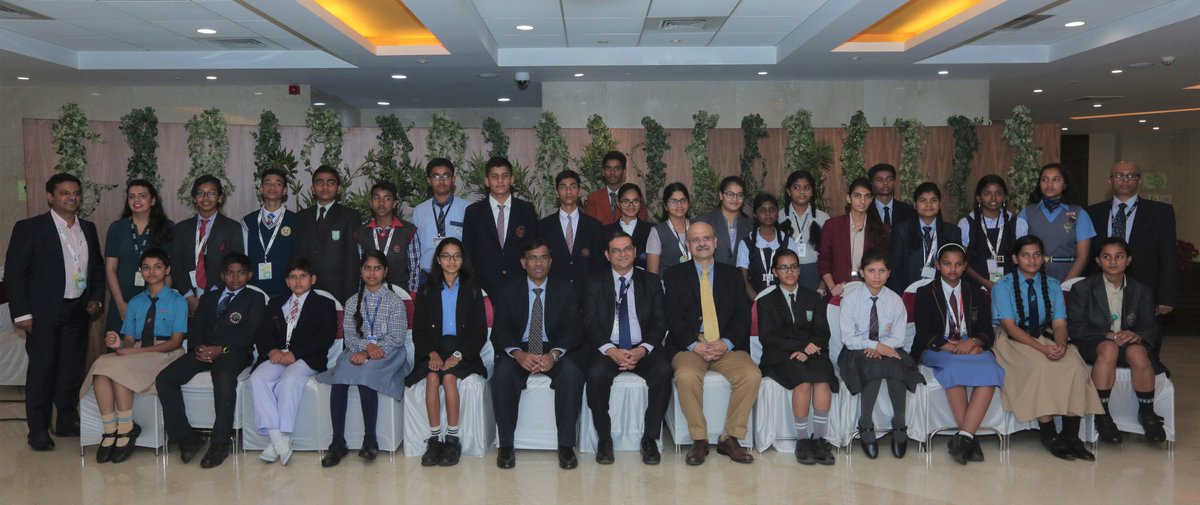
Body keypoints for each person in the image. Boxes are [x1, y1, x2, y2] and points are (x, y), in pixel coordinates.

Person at [6, 173, 105, 450]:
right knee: (43, 369)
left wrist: (96, 297)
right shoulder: (30, 228)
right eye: (64, 193)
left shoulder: (88, 228)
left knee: (71, 368)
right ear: (51, 197)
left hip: (77, 310)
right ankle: (37, 430)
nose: (72, 197)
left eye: (75, 193)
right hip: (43, 313)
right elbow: (15, 273)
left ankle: (66, 419)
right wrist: (22, 314)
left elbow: (96, 267)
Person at [990, 235, 1103, 461]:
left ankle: (1071, 435)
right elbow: (1010, 328)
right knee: (1040, 366)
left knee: (1073, 364)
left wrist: (1061, 345)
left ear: (1043, 258)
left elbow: (1060, 324)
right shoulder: (1002, 286)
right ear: (1015, 258)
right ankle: (1049, 433)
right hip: (1012, 340)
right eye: (1025, 255)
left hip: (1045, 335)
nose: (1031, 260)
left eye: (1036, 254)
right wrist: (1043, 351)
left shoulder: (1052, 285)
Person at [664, 221, 760, 465]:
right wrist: (693, 345)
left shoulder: (732, 275)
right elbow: (672, 316)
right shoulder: (674, 275)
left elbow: (742, 314)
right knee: (685, 376)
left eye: (706, 238)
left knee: (751, 374)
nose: (702, 243)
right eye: (695, 239)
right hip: (690, 345)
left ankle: (730, 437)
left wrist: (726, 343)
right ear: (688, 245)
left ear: (716, 242)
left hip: (724, 344)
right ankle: (699, 439)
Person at [156, 253, 264, 468]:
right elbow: (196, 329)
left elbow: (250, 334)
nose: (235, 278)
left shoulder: (254, 298)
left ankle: (220, 441)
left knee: (223, 377)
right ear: (222, 276)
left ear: (249, 275)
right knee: (165, 378)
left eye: (241, 273)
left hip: (233, 352)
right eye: (230, 273)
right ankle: (186, 437)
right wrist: (199, 347)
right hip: (204, 351)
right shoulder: (209, 298)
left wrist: (221, 349)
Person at [490, 239, 584, 470]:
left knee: (572, 374)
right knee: (502, 374)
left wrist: (554, 354)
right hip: (520, 348)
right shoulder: (507, 290)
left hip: (553, 348)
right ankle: (505, 446)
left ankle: (566, 447)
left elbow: (574, 331)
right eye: (533, 257)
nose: (538, 262)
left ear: (551, 262)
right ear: (523, 263)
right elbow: (499, 333)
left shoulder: (567, 289)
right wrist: (518, 354)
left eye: (543, 257)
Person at [85, 248, 184, 463]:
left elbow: (175, 342)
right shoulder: (136, 302)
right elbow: (129, 338)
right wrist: (118, 342)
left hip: (164, 353)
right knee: (101, 366)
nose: (151, 272)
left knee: (121, 368)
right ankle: (111, 430)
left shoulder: (178, 301)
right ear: (141, 271)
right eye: (146, 267)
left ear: (167, 270)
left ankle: (127, 428)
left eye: (157, 267)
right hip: (137, 351)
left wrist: (134, 352)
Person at [583, 231, 671, 466]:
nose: (622, 254)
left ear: (634, 252)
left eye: (627, 249)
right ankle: (604, 438)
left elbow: (660, 322)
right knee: (595, 374)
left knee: (664, 370)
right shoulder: (594, 282)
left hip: (642, 346)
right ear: (607, 254)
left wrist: (642, 349)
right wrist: (611, 350)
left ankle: (650, 438)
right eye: (616, 250)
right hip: (608, 348)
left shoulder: (651, 281)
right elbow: (589, 323)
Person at [1068, 237, 1167, 445]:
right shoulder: (1083, 289)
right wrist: (1107, 335)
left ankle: (1147, 414)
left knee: (1138, 352)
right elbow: (1075, 327)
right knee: (1109, 348)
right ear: (1097, 260)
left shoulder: (1141, 291)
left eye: (1119, 256)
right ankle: (1102, 415)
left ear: (1128, 260)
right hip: (1093, 343)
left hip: (1128, 343)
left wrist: (1137, 335)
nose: (1113, 262)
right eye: (1106, 257)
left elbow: (1150, 327)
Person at [912, 244, 1004, 465]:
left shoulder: (977, 293)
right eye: (946, 264)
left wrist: (973, 342)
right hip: (939, 349)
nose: (952, 269)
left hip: (971, 348)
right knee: (954, 368)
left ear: (964, 267)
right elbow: (924, 332)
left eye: (958, 264)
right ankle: (970, 439)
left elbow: (987, 332)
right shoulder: (925, 293)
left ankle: (964, 437)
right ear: (937, 265)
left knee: (991, 370)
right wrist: (953, 348)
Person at [317, 251, 410, 467]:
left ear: (385, 271)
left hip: (389, 353)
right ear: (360, 271)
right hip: (359, 350)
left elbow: (397, 337)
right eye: (367, 268)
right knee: (339, 377)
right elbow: (350, 337)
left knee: (366, 377)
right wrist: (365, 348)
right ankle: (337, 442)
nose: (372, 272)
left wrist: (371, 351)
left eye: (377, 268)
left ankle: (370, 440)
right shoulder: (352, 302)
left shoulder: (395, 301)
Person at [407, 238, 488, 467]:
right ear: (438, 260)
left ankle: (452, 440)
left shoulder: (472, 289)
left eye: (457, 256)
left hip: (462, 349)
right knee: (432, 377)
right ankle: (435, 440)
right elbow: (419, 330)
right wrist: (431, 353)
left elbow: (479, 332)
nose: (451, 261)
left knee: (450, 378)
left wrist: (459, 355)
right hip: (433, 347)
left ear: (463, 260)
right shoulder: (426, 289)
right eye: (446, 256)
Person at [837, 248, 924, 459]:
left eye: (882, 270)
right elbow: (848, 338)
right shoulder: (850, 300)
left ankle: (900, 423)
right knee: (873, 366)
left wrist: (882, 347)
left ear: (889, 273)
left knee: (896, 366)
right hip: (856, 350)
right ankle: (865, 423)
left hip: (890, 347)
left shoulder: (895, 300)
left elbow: (899, 337)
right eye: (871, 270)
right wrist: (874, 346)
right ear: (861, 272)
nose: (877, 276)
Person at [249, 259, 337, 465]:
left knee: (289, 380)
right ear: (287, 282)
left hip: (306, 357)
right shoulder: (275, 303)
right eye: (293, 277)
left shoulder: (324, 304)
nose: (298, 281)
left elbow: (326, 336)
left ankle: (280, 439)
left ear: (313, 279)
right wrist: (271, 350)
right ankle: (278, 438)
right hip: (277, 355)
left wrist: (296, 353)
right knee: (257, 379)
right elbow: (263, 332)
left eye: (303, 276)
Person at [756, 249, 837, 465]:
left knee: (822, 380)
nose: (789, 272)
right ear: (775, 272)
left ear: (799, 270)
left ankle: (819, 439)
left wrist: (808, 349)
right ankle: (802, 440)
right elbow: (768, 337)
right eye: (783, 268)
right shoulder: (766, 301)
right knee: (802, 381)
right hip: (780, 354)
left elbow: (823, 332)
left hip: (813, 351)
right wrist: (800, 347)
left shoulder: (813, 297)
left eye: (793, 267)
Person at [1085, 160, 1177, 315]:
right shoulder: (1092, 213)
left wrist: (1166, 297)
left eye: (1131, 175)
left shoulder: (1161, 212)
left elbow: (1168, 256)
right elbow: (1087, 255)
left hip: (1145, 289)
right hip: (1101, 290)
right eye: (1119, 175)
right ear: (1110, 180)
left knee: (1142, 338)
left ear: (1139, 180)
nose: (1125, 179)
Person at [104, 180, 174, 333]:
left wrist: (158, 303)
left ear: (153, 200)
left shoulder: (167, 228)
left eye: (142, 196)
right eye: (132, 196)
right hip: (122, 299)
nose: (136, 200)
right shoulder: (117, 228)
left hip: (155, 301)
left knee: (152, 351)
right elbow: (110, 269)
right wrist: (121, 304)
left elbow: (169, 271)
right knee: (119, 350)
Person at [463, 156, 539, 294]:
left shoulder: (526, 210)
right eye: (494, 176)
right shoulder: (473, 212)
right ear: (487, 181)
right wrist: (471, 284)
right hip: (484, 287)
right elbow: (468, 251)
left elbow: (533, 247)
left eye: (505, 176)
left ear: (512, 179)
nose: (500, 181)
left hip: (519, 285)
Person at [171, 175, 245, 316]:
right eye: (200, 193)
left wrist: (212, 295)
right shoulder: (181, 228)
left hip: (221, 295)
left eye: (211, 193)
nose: (205, 198)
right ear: (194, 198)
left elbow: (235, 265)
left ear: (220, 197)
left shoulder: (232, 227)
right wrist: (189, 297)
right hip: (187, 297)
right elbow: (176, 264)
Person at [294, 166, 362, 302]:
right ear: (313, 189)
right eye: (319, 183)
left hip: (338, 289)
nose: (325, 187)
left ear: (339, 189)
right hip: (306, 288)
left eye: (331, 183)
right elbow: (297, 255)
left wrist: (349, 297)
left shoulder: (350, 216)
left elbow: (352, 260)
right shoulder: (301, 217)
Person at [1018, 163, 1095, 281]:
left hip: (1069, 276)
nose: (1049, 184)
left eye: (1056, 179)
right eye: (1044, 180)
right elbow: (1020, 252)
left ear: (1065, 184)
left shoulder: (1078, 214)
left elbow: (1082, 257)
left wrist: (1065, 286)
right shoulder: (1026, 213)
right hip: (1034, 277)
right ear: (1039, 184)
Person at [818, 177, 888, 297]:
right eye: (857, 196)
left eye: (867, 197)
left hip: (870, 291)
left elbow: (883, 265)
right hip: (839, 290)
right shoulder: (832, 226)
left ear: (871, 200)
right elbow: (824, 261)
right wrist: (832, 287)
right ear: (848, 198)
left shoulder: (881, 229)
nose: (862, 201)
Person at [887, 183, 962, 293]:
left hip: (942, 293)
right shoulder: (901, 231)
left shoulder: (952, 232)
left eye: (934, 200)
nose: (928, 204)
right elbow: (894, 270)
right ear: (915, 204)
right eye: (923, 200)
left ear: (940, 204)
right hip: (909, 292)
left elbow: (957, 267)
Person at [958, 175, 1027, 290]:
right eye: (987, 193)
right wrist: (985, 283)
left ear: (1004, 197)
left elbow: (1023, 259)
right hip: (974, 287)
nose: (993, 198)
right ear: (978, 198)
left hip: (1010, 288)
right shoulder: (966, 224)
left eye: (998, 193)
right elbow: (961, 261)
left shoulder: (1018, 223)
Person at [538, 169, 604, 288]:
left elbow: (599, 264)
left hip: (586, 293)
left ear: (579, 191)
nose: (568, 191)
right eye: (563, 187)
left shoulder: (594, 226)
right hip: (555, 293)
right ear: (557, 193)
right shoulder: (543, 226)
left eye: (573, 186)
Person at [353, 181, 420, 293]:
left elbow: (415, 268)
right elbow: (360, 268)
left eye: (387, 199)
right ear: (371, 202)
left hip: (401, 293)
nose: (381, 203)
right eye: (376, 198)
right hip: (370, 293)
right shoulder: (361, 233)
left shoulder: (409, 230)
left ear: (394, 203)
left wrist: (412, 294)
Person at [412, 158, 470, 284]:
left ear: (453, 179)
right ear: (429, 180)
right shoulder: (419, 211)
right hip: (427, 276)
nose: (441, 181)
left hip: (459, 276)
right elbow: (415, 248)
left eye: (446, 176)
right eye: (436, 176)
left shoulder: (468, 208)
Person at [243, 168, 295, 298]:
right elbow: (243, 257)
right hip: (254, 290)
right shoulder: (247, 221)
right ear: (261, 188)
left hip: (288, 290)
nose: (272, 187)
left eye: (278, 184)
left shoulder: (296, 220)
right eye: (268, 183)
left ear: (285, 190)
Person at [778, 171, 829, 291]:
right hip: (787, 272)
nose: (802, 192)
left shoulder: (823, 218)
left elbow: (828, 255)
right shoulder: (779, 217)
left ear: (812, 192)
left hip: (815, 273)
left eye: (807, 188)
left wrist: (822, 287)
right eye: (796, 187)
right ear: (788, 191)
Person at [736, 192, 790, 299]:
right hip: (754, 301)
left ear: (777, 213)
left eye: (772, 209)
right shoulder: (746, 243)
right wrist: (758, 303)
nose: (768, 213)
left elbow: (792, 275)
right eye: (762, 210)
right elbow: (744, 280)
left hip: (783, 301)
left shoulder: (787, 241)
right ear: (755, 214)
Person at [694, 176, 753, 266]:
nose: (735, 199)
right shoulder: (704, 221)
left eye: (740, 195)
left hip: (740, 278)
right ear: (721, 195)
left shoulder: (751, 225)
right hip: (710, 277)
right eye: (730, 194)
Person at [584, 151, 648, 225]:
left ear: (624, 172)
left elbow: (642, 226)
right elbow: (589, 227)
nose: (612, 173)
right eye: (608, 168)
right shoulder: (593, 198)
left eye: (617, 169)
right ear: (603, 172)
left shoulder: (635, 197)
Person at [600, 183, 653, 271]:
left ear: (640, 202)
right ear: (618, 203)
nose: (631, 205)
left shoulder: (651, 230)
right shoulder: (605, 231)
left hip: (643, 281)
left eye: (635, 201)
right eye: (626, 201)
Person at [646, 182, 691, 275]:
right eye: (674, 201)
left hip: (697, 285)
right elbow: (652, 274)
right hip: (668, 287)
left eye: (683, 200)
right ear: (665, 206)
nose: (679, 205)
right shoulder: (657, 232)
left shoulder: (697, 227)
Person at [866, 164, 916, 229]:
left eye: (889, 179)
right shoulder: (866, 210)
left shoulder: (908, 210)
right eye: (879, 180)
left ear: (894, 181)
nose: (885, 183)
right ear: (872, 183)